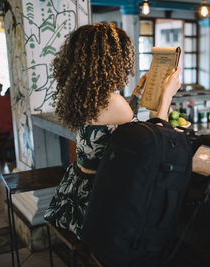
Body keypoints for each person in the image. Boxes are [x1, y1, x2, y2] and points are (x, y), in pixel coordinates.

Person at [44, 23, 181, 239]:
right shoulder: (113, 101)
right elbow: (154, 142)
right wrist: (167, 96)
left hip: (74, 192)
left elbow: (120, 129)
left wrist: (135, 97)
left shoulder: (82, 97)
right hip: (96, 205)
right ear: (109, 61)